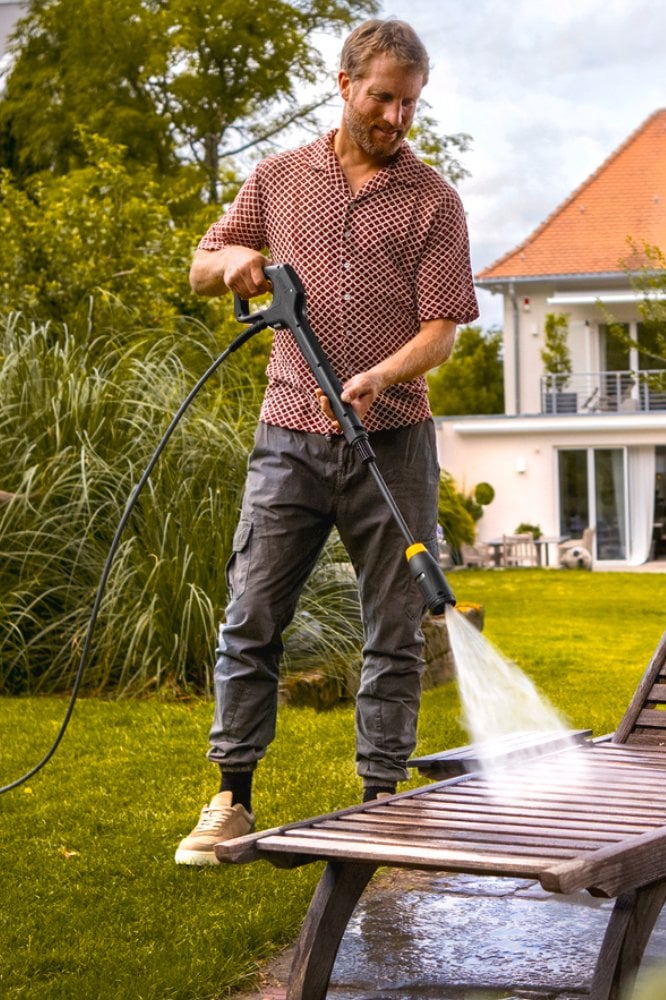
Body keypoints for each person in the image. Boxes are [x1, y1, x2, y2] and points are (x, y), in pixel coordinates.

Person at [175, 18, 479, 865]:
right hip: (290, 436)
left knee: (394, 626)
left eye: (410, 102)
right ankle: (231, 799)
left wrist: (384, 373)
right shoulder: (277, 180)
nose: (395, 117)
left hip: (393, 440)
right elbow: (201, 264)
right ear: (344, 85)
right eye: (382, 97)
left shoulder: (432, 201)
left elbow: (442, 332)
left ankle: (380, 802)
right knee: (254, 614)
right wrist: (234, 258)